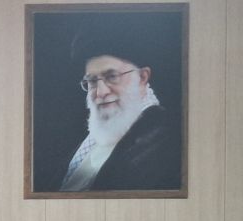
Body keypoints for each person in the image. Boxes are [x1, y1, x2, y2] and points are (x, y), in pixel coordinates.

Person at [57, 23, 180, 192]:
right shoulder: (94, 136)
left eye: (112, 76)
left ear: (142, 77)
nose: (101, 92)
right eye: (92, 81)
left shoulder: (162, 140)